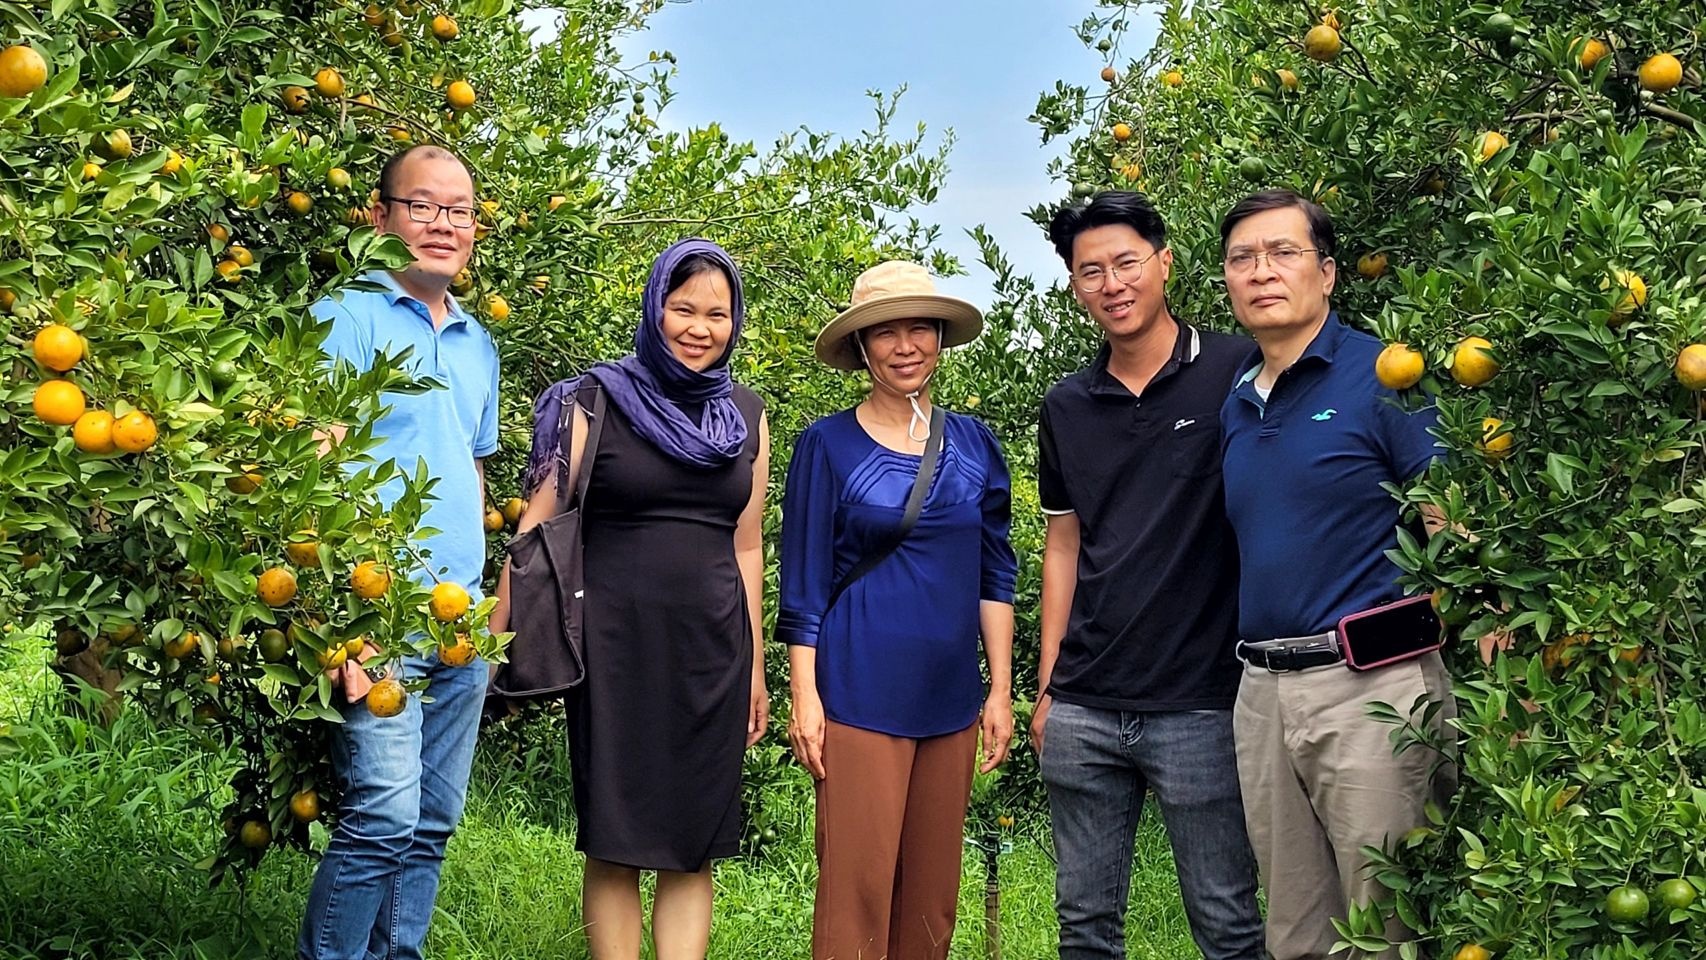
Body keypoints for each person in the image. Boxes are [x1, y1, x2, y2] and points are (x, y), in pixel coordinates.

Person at [495, 238, 770, 960]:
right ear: (654, 309)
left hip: (713, 650)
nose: (700, 328)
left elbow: (747, 544)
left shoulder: (745, 414)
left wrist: (757, 668)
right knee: (614, 841)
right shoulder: (591, 401)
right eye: (683, 309)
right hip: (613, 648)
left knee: (693, 843)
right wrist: (491, 645)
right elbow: (535, 531)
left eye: (718, 313)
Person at [1217, 189, 1456, 960]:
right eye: (1242, 258)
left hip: (1372, 689)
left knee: (1386, 927)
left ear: (1326, 273)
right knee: (1294, 931)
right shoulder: (1237, 399)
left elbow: (1449, 522)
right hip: (1262, 695)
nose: (1261, 271)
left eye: (1282, 253)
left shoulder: (1385, 375)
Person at [1034, 191, 1264, 959]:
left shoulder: (1239, 368)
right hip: (1086, 706)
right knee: (1085, 929)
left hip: (1202, 703)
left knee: (1228, 924)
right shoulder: (1066, 404)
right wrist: (1047, 689)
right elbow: (1063, 546)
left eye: (1126, 262)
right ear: (1073, 285)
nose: (1112, 284)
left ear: (1164, 263)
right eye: (1090, 270)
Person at [778, 260, 1018, 960]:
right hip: (856, 696)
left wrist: (1000, 690)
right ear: (861, 347)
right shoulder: (827, 445)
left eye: (921, 328)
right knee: (856, 897)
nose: (906, 345)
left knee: (932, 904)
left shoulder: (975, 445)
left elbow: (995, 572)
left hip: (950, 702)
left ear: (941, 338)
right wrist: (805, 697)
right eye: (887, 332)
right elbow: (804, 584)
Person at [299, 145, 501, 960]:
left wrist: (489, 611)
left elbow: (474, 475)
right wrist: (336, 624)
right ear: (380, 217)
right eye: (423, 206)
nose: (442, 225)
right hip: (375, 614)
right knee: (382, 817)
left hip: (462, 625)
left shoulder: (479, 344)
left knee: (431, 826)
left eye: (458, 211)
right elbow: (305, 477)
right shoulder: (343, 317)